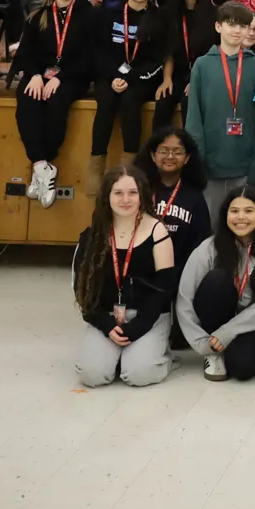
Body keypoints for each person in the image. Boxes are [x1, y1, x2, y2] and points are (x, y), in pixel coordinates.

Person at [177, 184, 255, 381]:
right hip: (216, 320)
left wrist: (229, 331)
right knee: (217, 280)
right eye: (234, 211)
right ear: (225, 215)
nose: (241, 217)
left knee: (242, 368)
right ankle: (213, 354)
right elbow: (185, 298)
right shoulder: (209, 247)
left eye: (248, 211)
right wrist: (202, 343)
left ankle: (228, 348)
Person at [72, 165, 174, 388]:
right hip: (108, 315)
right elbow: (82, 290)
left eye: (133, 193)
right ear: (107, 196)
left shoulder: (157, 230)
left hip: (149, 315)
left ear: (142, 195)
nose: (126, 199)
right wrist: (106, 325)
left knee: (139, 375)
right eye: (118, 193)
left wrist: (139, 326)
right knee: (92, 375)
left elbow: (164, 289)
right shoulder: (92, 235)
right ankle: (116, 358)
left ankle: (162, 356)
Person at [9, 0, 92, 206]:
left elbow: (90, 57)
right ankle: (42, 166)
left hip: (72, 76)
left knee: (55, 101)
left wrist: (60, 77)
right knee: (27, 97)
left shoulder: (89, 15)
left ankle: (43, 165)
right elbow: (25, 52)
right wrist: (35, 74)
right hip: (41, 74)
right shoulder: (40, 14)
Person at [87, 0, 169, 184]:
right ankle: (95, 170)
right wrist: (114, 75)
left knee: (130, 102)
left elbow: (156, 59)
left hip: (141, 77)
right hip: (110, 74)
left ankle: (130, 170)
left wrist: (128, 77)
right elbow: (99, 50)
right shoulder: (108, 14)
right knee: (106, 102)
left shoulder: (158, 19)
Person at [184, 1, 255, 212]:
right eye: (231, 24)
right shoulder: (202, 64)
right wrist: (198, 159)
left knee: (242, 219)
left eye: (243, 26)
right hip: (210, 163)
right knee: (212, 220)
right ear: (218, 26)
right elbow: (194, 116)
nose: (237, 30)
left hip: (245, 162)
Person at [137, 126, 211, 265]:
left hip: (182, 271)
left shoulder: (195, 198)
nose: (170, 156)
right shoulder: (139, 191)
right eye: (163, 151)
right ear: (153, 155)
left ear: (187, 158)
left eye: (177, 152)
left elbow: (202, 243)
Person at [157, 0, 217, 129]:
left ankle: (192, 145)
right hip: (177, 73)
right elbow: (168, 51)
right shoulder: (168, 13)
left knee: (190, 102)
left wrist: (197, 80)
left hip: (204, 74)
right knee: (164, 99)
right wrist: (167, 79)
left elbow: (215, 53)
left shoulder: (215, 14)